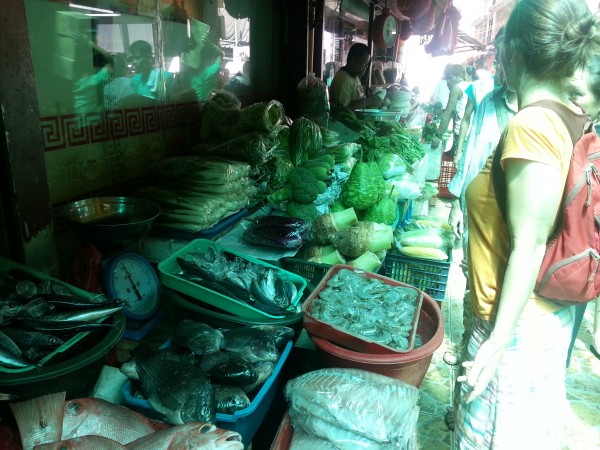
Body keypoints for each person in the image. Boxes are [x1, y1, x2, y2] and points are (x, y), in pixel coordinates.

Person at [454, 1, 600, 449]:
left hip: (517, 327)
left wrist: (495, 345)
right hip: (532, 321)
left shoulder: (532, 125)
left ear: (514, 52)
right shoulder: (569, 117)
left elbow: (532, 242)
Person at [329, 43, 382, 109]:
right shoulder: (343, 79)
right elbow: (342, 110)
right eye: (364, 63)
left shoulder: (353, 75)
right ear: (354, 60)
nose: (366, 67)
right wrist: (367, 101)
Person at [430, 64, 468, 155]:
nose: (448, 82)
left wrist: (438, 136)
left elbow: (447, 114)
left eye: (451, 78)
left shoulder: (457, 88)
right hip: (467, 134)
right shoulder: (469, 86)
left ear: (460, 76)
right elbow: (456, 112)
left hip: (461, 134)